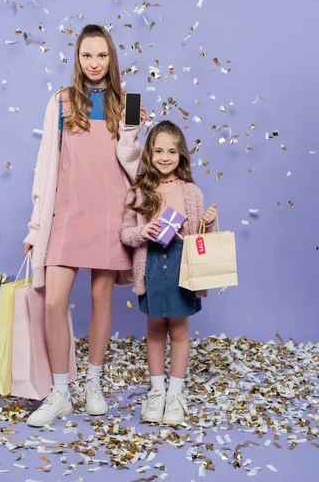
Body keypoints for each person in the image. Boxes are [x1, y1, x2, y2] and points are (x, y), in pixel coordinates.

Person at [24, 24, 146, 426]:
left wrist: (134, 131)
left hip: (110, 216)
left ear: (112, 59)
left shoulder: (127, 103)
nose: (94, 63)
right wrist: (36, 226)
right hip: (68, 215)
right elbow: (46, 165)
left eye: (102, 55)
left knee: (100, 301)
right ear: (77, 59)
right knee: (54, 302)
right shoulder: (61, 101)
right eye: (87, 55)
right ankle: (61, 392)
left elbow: (133, 167)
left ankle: (92, 382)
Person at [120, 120, 217, 425]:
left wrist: (209, 221)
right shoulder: (139, 191)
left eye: (172, 151)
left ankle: (175, 394)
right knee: (155, 330)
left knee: (179, 330)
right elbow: (125, 232)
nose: (165, 156)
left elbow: (202, 236)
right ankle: (157, 391)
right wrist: (142, 231)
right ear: (148, 153)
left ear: (181, 155)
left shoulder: (191, 191)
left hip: (181, 262)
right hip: (151, 264)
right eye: (159, 150)